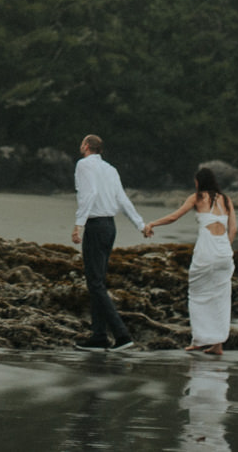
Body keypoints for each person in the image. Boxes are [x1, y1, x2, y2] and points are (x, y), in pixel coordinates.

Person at [143, 166, 236, 354]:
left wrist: (152, 223)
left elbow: (174, 216)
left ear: (199, 182)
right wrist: (225, 247)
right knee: (221, 297)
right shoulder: (226, 200)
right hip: (224, 253)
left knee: (197, 295)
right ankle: (218, 345)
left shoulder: (197, 198)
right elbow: (233, 229)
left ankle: (199, 339)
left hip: (206, 251)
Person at [71, 133, 145, 351]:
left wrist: (79, 224)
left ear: (86, 146)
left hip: (95, 226)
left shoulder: (83, 165)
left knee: (94, 283)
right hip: (109, 227)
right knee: (98, 283)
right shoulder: (111, 169)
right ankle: (99, 336)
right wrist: (140, 225)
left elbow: (90, 193)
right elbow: (122, 199)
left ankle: (122, 335)